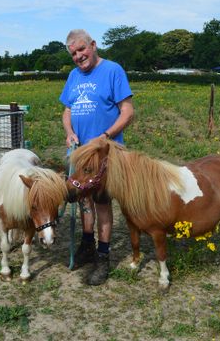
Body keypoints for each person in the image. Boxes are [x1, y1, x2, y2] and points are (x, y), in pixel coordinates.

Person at [60, 29, 134, 285]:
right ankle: (86, 244)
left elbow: (127, 112)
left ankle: (103, 256)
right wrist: (69, 132)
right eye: (74, 54)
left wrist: (104, 136)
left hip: (105, 153)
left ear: (93, 45)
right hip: (80, 153)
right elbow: (67, 111)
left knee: (102, 203)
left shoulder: (113, 70)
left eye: (82, 49)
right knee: (83, 200)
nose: (79, 56)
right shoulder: (73, 76)